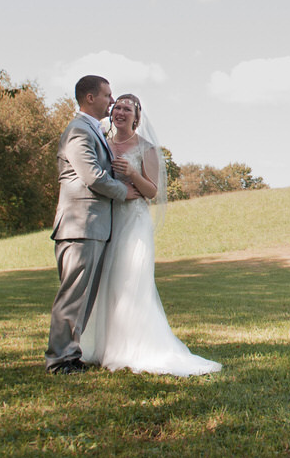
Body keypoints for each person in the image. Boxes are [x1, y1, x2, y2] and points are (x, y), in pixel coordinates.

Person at [80, 93, 222, 375]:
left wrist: (132, 173)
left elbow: (152, 192)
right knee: (105, 283)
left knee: (130, 282)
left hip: (133, 222)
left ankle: (134, 347)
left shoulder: (146, 148)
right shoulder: (104, 144)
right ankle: (102, 346)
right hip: (108, 221)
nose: (120, 112)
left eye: (127, 109)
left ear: (137, 116)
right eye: (117, 107)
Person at [44, 75, 129, 374]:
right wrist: (125, 192)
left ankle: (70, 353)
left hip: (92, 227)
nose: (112, 100)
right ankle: (59, 360)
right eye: (107, 95)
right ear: (90, 98)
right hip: (80, 225)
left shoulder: (93, 130)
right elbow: (92, 176)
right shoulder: (79, 131)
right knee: (73, 295)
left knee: (83, 297)